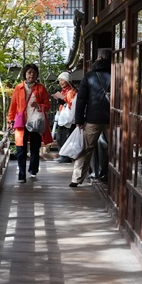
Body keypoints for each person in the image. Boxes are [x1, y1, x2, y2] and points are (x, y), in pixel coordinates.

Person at [70, 48, 112, 187]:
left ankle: (76, 179)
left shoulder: (89, 76)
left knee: (86, 149)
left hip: (93, 118)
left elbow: (81, 99)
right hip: (113, 119)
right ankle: (117, 176)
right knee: (117, 148)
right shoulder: (117, 75)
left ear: (99, 59)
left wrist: (79, 120)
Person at [7, 63, 52, 184]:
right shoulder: (18, 88)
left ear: (36, 74)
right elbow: (13, 106)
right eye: (29, 72)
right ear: (25, 74)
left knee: (34, 148)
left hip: (36, 122)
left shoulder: (41, 88)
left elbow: (48, 106)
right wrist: (10, 120)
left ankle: (33, 169)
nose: (31, 75)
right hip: (21, 122)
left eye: (33, 72)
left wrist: (40, 105)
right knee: (20, 148)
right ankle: (21, 175)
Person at [52, 71, 77, 163]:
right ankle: (62, 155)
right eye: (59, 80)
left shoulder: (71, 92)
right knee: (60, 137)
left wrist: (64, 101)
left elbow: (72, 105)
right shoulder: (65, 91)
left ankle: (65, 156)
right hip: (63, 117)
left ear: (67, 80)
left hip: (68, 119)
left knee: (65, 137)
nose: (60, 82)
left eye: (62, 80)